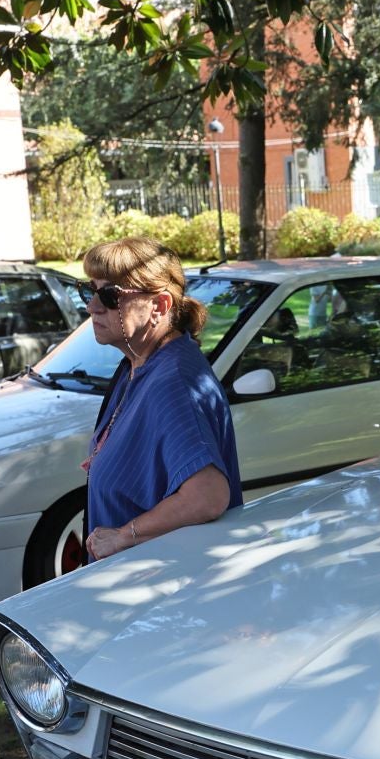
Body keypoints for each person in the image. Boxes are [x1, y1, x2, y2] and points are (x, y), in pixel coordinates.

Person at [78, 237, 243, 562]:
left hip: (156, 588)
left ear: (160, 305)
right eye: (90, 291)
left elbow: (207, 496)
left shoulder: (174, 382)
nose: (92, 307)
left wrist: (124, 537)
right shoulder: (138, 364)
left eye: (110, 296)